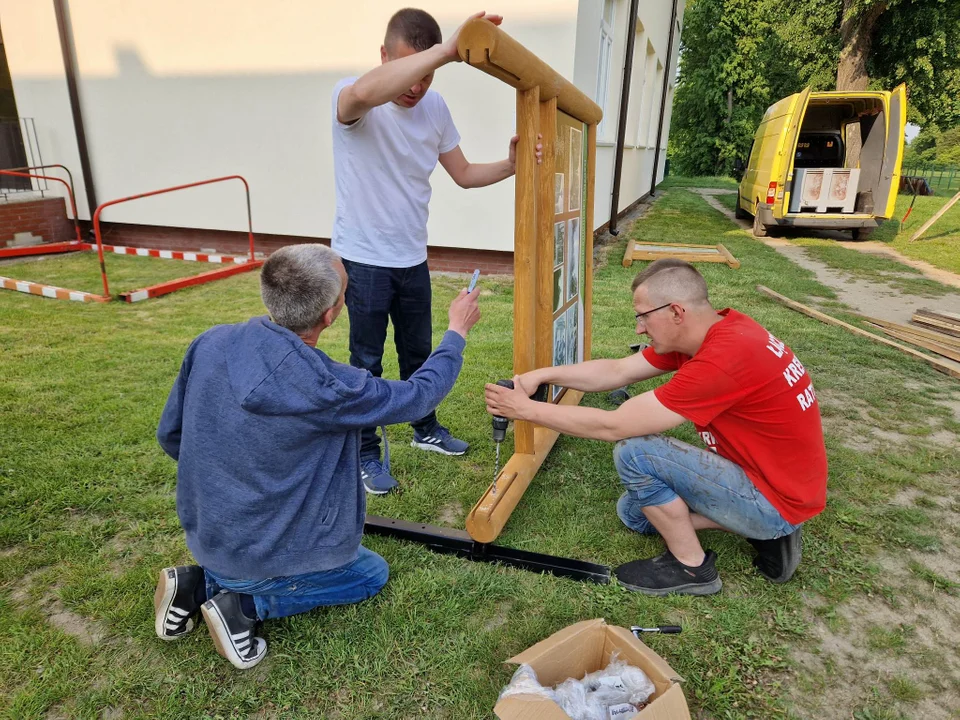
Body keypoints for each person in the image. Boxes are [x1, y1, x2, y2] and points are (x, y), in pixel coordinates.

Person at [153, 244, 480, 669]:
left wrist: (231, 480)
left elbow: (170, 435)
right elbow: (418, 397)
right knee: (368, 574)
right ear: (331, 314)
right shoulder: (330, 386)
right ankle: (244, 606)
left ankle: (195, 584)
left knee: (265, 553)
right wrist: (456, 331)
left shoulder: (210, 342)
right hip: (256, 552)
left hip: (207, 533)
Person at [484, 259, 827, 596]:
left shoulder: (723, 358)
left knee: (635, 452)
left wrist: (526, 409)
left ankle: (694, 566)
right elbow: (617, 372)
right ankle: (762, 528)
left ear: (676, 312)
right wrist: (542, 375)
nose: (639, 329)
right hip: (772, 481)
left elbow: (613, 425)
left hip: (774, 498)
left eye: (643, 316)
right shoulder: (716, 331)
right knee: (634, 515)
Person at [332, 8, 541, 494]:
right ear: (384, 56)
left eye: (429, 75)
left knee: (419, 352)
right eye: (412, 69)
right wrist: (446, 50)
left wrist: (510, 166)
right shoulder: (353, 96)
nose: (418, 85)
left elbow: (464, 175)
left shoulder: (436, 109)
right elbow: (364, 93)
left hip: (411, 257)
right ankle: (363, 452)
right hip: (362, 257)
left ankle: (424, 428)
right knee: (365, 361)